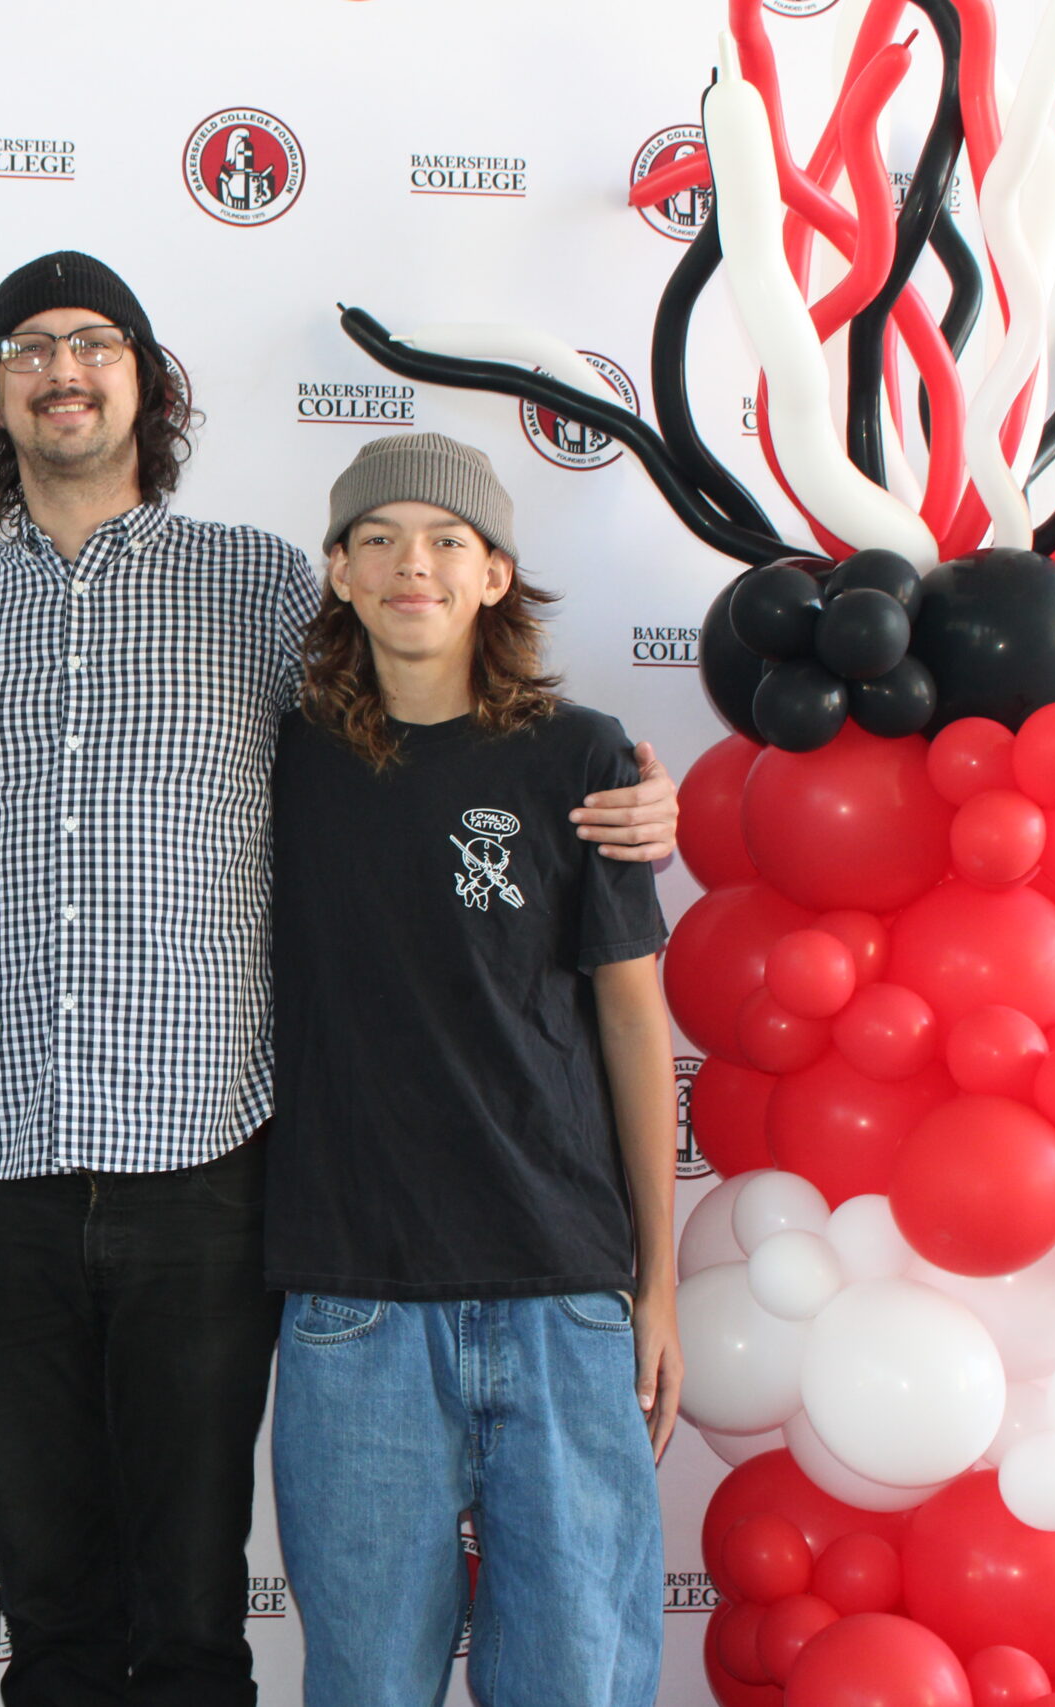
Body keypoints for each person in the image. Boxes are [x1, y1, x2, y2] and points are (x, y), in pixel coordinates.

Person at [0, 251, 680, 1706]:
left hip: (205, 1170)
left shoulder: (252, 584)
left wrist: (619, 793)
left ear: (146, 383)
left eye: (95, 342)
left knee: (189, 1611)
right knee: (48, 1597)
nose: (64, 367)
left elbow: (432, 720)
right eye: (30, 347)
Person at [265, 434, 680, 1707]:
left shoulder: (582, 759)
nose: (413, 563)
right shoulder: (272, 763)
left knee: (577, 1682)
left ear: (496, 575)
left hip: (560, 1291)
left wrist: (652, 1290)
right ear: (336, 571)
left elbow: (631, 1025)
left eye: (448, 539)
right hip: (353, 1304)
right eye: (378, 537)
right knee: (366, 1684)